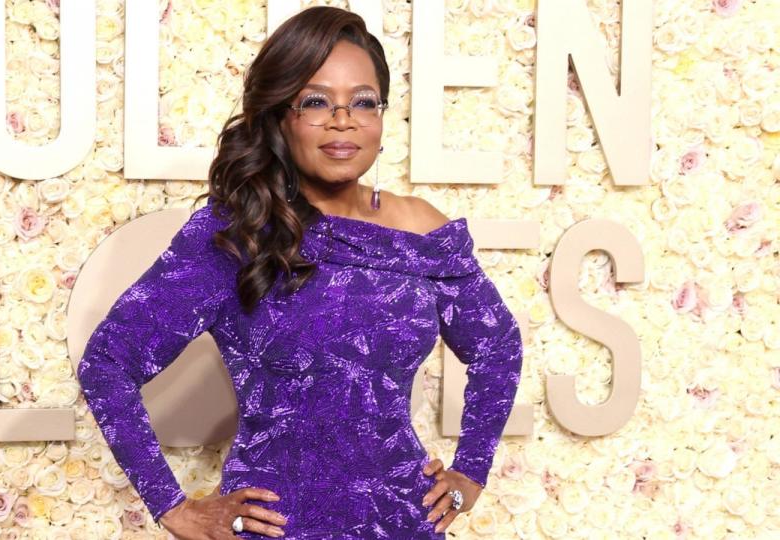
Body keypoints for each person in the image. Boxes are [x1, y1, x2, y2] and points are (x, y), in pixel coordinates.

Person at [76, 6, 523, 539]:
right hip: (277, 528)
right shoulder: (237, 231)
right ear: (278, 115)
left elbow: (498, 346)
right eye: (316, 102)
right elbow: (107, 361)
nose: (343, 120)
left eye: (363, 102)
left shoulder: (423, 231)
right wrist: (173, 506)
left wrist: (471, 469)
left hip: (404, 522)